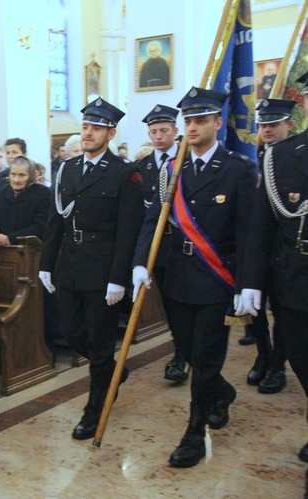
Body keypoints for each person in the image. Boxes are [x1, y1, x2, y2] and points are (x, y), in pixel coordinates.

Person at [132, 87, 258, 468]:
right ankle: (221, 392)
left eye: (201, 120)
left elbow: (249, 232)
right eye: (189, 121)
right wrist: (141, 262)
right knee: (187, 350)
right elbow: (154, 218)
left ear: (218, 123)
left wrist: (248, 282)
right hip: (178, 275)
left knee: (205, 356)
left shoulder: (239, 168)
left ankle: (193, 432)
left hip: (216, 279)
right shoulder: (174, 168)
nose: (193, 126)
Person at [39, 97, 144, 440]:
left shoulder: (124, 172)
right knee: (71, 333)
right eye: (85, 126)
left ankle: (95, 407)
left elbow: (129, 230)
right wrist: (45, 265)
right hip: (69, 264)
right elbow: (56, 220)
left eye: (96, 128)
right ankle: (112, 371)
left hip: (102, 270)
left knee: (99, 341)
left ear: (110, 133)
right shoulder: (67, 169)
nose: (88, 133)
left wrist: (119, 278)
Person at [236, 75, 308, 493]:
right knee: (300, 355)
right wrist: (251, 282)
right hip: (296, 274)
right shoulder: (283, 155)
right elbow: (262, 226)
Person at [240, 97, 296, 395]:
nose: (267, 130)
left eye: (273, 124)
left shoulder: (295, 156)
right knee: (255, 309)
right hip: (256, 244)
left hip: (286, 248)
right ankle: (263, 353)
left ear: (289, 124)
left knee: (284, 311)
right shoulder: (252, 155)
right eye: (262, 125)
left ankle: (278, 363)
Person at [136, 104, 188, 384]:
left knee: (182, 304)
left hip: (184, 245)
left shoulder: (186, 160)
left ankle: (182, 355)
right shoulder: (141, 167)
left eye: (163, 130)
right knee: (169, 304)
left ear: (175, 131)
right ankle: (182, 350)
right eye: (153, 131)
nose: (158, 136)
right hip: (157, 247)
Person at [0, 156, 51, 247]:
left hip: (32, 251)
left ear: (31, 176)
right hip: (2, 250)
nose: (16, 180)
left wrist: (9, 239)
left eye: (21, 175)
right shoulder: (4, 192)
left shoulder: (43, 194)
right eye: (13, 174)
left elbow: (40, 228)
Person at [0, 137, 28, 203]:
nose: (10, 156)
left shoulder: (32, 174)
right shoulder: (1, 176)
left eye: (15, 152)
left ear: (24, 154)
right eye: (8, 153)